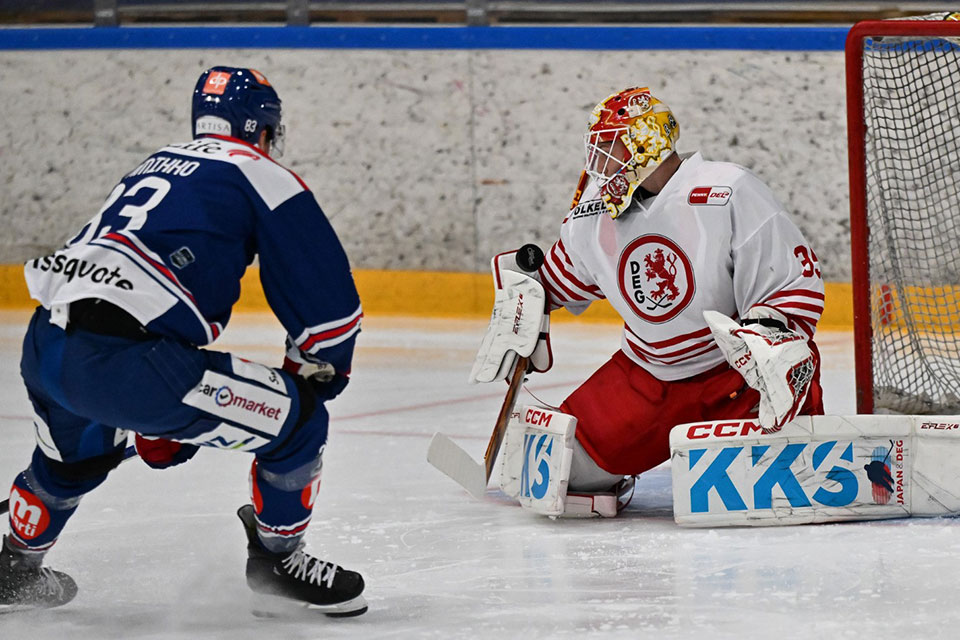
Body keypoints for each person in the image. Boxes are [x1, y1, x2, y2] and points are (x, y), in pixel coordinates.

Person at [0, 66, 367, 616]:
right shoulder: (261, 172)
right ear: (262, 129)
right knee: (300, 424)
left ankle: (13, 570)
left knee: (72, 462)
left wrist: (155, 406)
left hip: (46, 345)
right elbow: (328, 310)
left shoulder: (157, 161)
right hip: (131, 366)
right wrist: (319, 375)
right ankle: (277, 562)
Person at [481, 86, 825, 516]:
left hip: (735, 377)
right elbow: (560, 281)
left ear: (647, 143)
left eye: (610, 148)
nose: (599, 165)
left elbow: (790, 283)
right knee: (557, 467)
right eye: (597, 150)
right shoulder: (594, 212)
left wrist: (770, 338)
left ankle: (801, 442)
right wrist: (524, 297)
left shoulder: (727, 190)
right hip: (647, 377)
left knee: (785, 362)